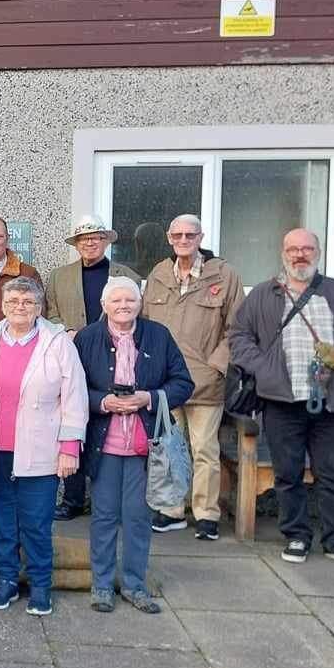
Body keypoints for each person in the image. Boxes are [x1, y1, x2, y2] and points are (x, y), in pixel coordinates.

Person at [228, 228, 334, 570]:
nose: (300, 255)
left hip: (330, 402)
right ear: (283, 253)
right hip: (282, 402)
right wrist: (264, 369)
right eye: (293, 249)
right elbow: (238, 337)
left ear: (318, 252)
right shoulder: (264, 295)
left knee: (333, 474)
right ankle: (296, 535)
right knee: (287, 474)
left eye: (307, 248)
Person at [0, 276, 87, 617]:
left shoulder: (57, 343)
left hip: (40, 450)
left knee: (37, 523)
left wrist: (70, 447)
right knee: (0, 520)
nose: (19, 308)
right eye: (13, 302)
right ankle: (8, 581)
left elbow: (74, 397)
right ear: (3, 306)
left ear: (39, 306)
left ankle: (41, 586)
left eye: (27, 302)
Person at [76, 278, 194, 614]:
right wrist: (103, 402)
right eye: (116, 301)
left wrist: (150, 398)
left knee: (139, 517)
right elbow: (71, 388)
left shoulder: (158, 335)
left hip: (146, 446)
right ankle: (101, 585)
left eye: (130, 300)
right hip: (105, 444)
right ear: (105, 305)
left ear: (140, 303)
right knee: (103, 516)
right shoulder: (88, 338)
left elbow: (183, 383)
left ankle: (134, 584)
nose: (123, 306)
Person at [140, 214, 246, 540]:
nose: (183, 240)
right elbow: (143, 324)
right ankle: (172, 511)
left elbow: (238, 328)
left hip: (205, 383)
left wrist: (217, 366)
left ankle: (206, 514)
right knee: (168, 448)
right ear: (170, 238)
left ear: (200, 237)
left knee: (204, 451)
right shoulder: (158, 274)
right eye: (177, 235)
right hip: (166, 384)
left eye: (190, 234)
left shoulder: (224, 276)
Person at [44, 215, 139, 521]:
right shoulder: (59, 277)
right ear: (77, 244)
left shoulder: (127, 276)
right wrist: (65, 330)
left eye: (96, 238)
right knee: (72, 423)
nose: (90, 243)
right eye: (84, 239)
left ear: (105, 241)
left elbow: (136, 314)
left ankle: (107, 501)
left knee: (109, 426)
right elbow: (51, 312)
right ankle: (73, 498)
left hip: (113, 359)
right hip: (71, 355)